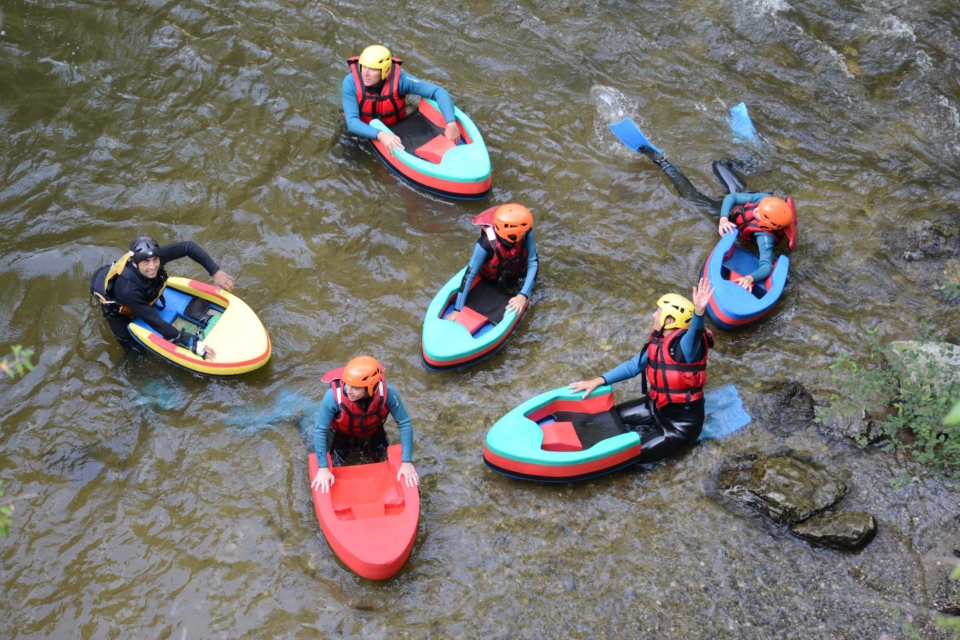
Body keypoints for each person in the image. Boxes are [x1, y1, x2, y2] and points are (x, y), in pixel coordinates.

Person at [569, 278, 715, 465]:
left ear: (670, 320)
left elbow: (694, 334)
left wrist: (699, 312)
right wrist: (598, 380)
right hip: (655, 406)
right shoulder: (658, 340)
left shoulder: (686, 348)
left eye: (659, 312)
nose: (654, 315)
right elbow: (633, 366)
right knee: (609, 418)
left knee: (631, 458)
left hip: (680, 426)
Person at [90, 236, 235, 357]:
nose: (152, 267)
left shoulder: (155, 258)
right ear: (135, 264)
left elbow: (188, 247)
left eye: (155, 260)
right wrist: (191, 342)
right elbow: (156, 322)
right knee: (134, 351)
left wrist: (215, 271)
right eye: (146, 262)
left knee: (150, 287)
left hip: (136, 289)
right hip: (117, 308)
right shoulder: (129, 290)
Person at [310, 356, 419, 494]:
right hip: (340, 438)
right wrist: (323, 468)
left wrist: (406, 462)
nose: (348, 390)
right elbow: (320, 430)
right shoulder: (332, 397)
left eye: (355, 388)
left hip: (373, 434)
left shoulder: (388, 393)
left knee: (382, 459)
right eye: (347, 383)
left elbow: (404, 423)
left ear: (371, 386)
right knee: (336, 463)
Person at [342, 44, 461, 154]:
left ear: (386, 70)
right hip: (362, 132)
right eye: (364, 67)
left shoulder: (400, 80)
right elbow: (352, 123)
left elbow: (438, 92)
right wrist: (381, 135)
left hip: (397, 127)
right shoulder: (350, 82)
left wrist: (451, 123)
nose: (365, 73)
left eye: (373, 69)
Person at [447, 203, 539, 322]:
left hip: (517, 275)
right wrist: (457, 310)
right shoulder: (485, 243)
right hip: (491, 280)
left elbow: (533, 262)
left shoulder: (526, 232)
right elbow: (470, 273)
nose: (524, 233)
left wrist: (523, 295)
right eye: (521, 231)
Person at [716, 193, 794, 292]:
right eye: (760, 206)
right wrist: (723, 219)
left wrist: (750, 278)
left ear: (767, 224)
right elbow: (732, 197)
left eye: (760, 213)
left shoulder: (765, 239)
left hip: (741, 222)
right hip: (735, 213)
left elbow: (766, 266)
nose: (756, 209)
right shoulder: (765, 200)